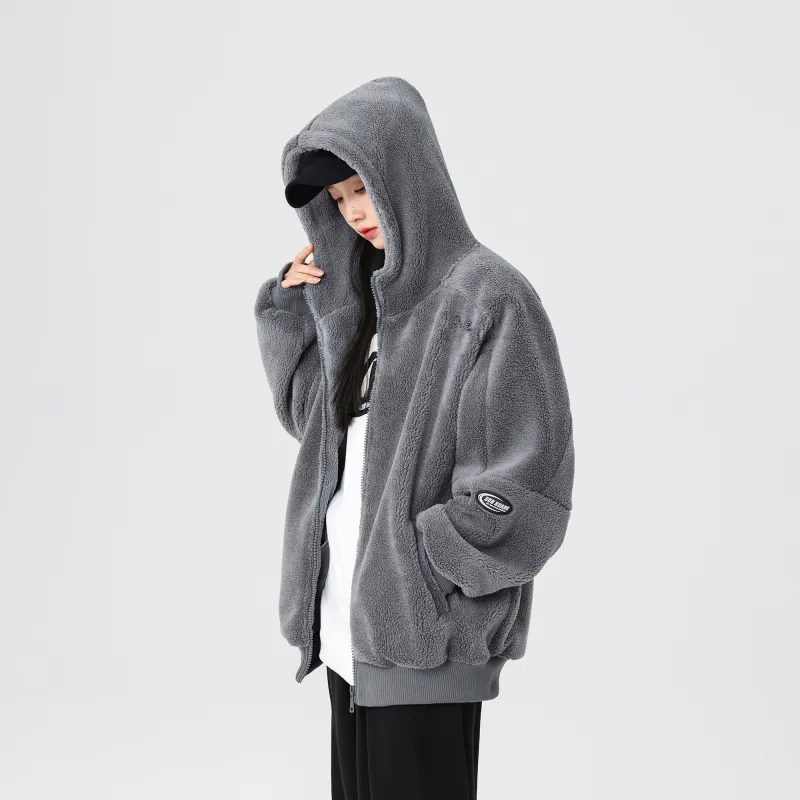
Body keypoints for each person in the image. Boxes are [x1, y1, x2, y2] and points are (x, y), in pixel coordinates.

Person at [254, 76, 575, 799]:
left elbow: (527, 485)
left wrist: (426, 566)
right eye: (339, 199)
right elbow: (314, 428)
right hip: (349, 634)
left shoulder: (486, 296)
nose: (354, 212)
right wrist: (294, 309)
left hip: (422, 636)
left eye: (363, 189)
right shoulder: (369, 305)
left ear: (407, 175)